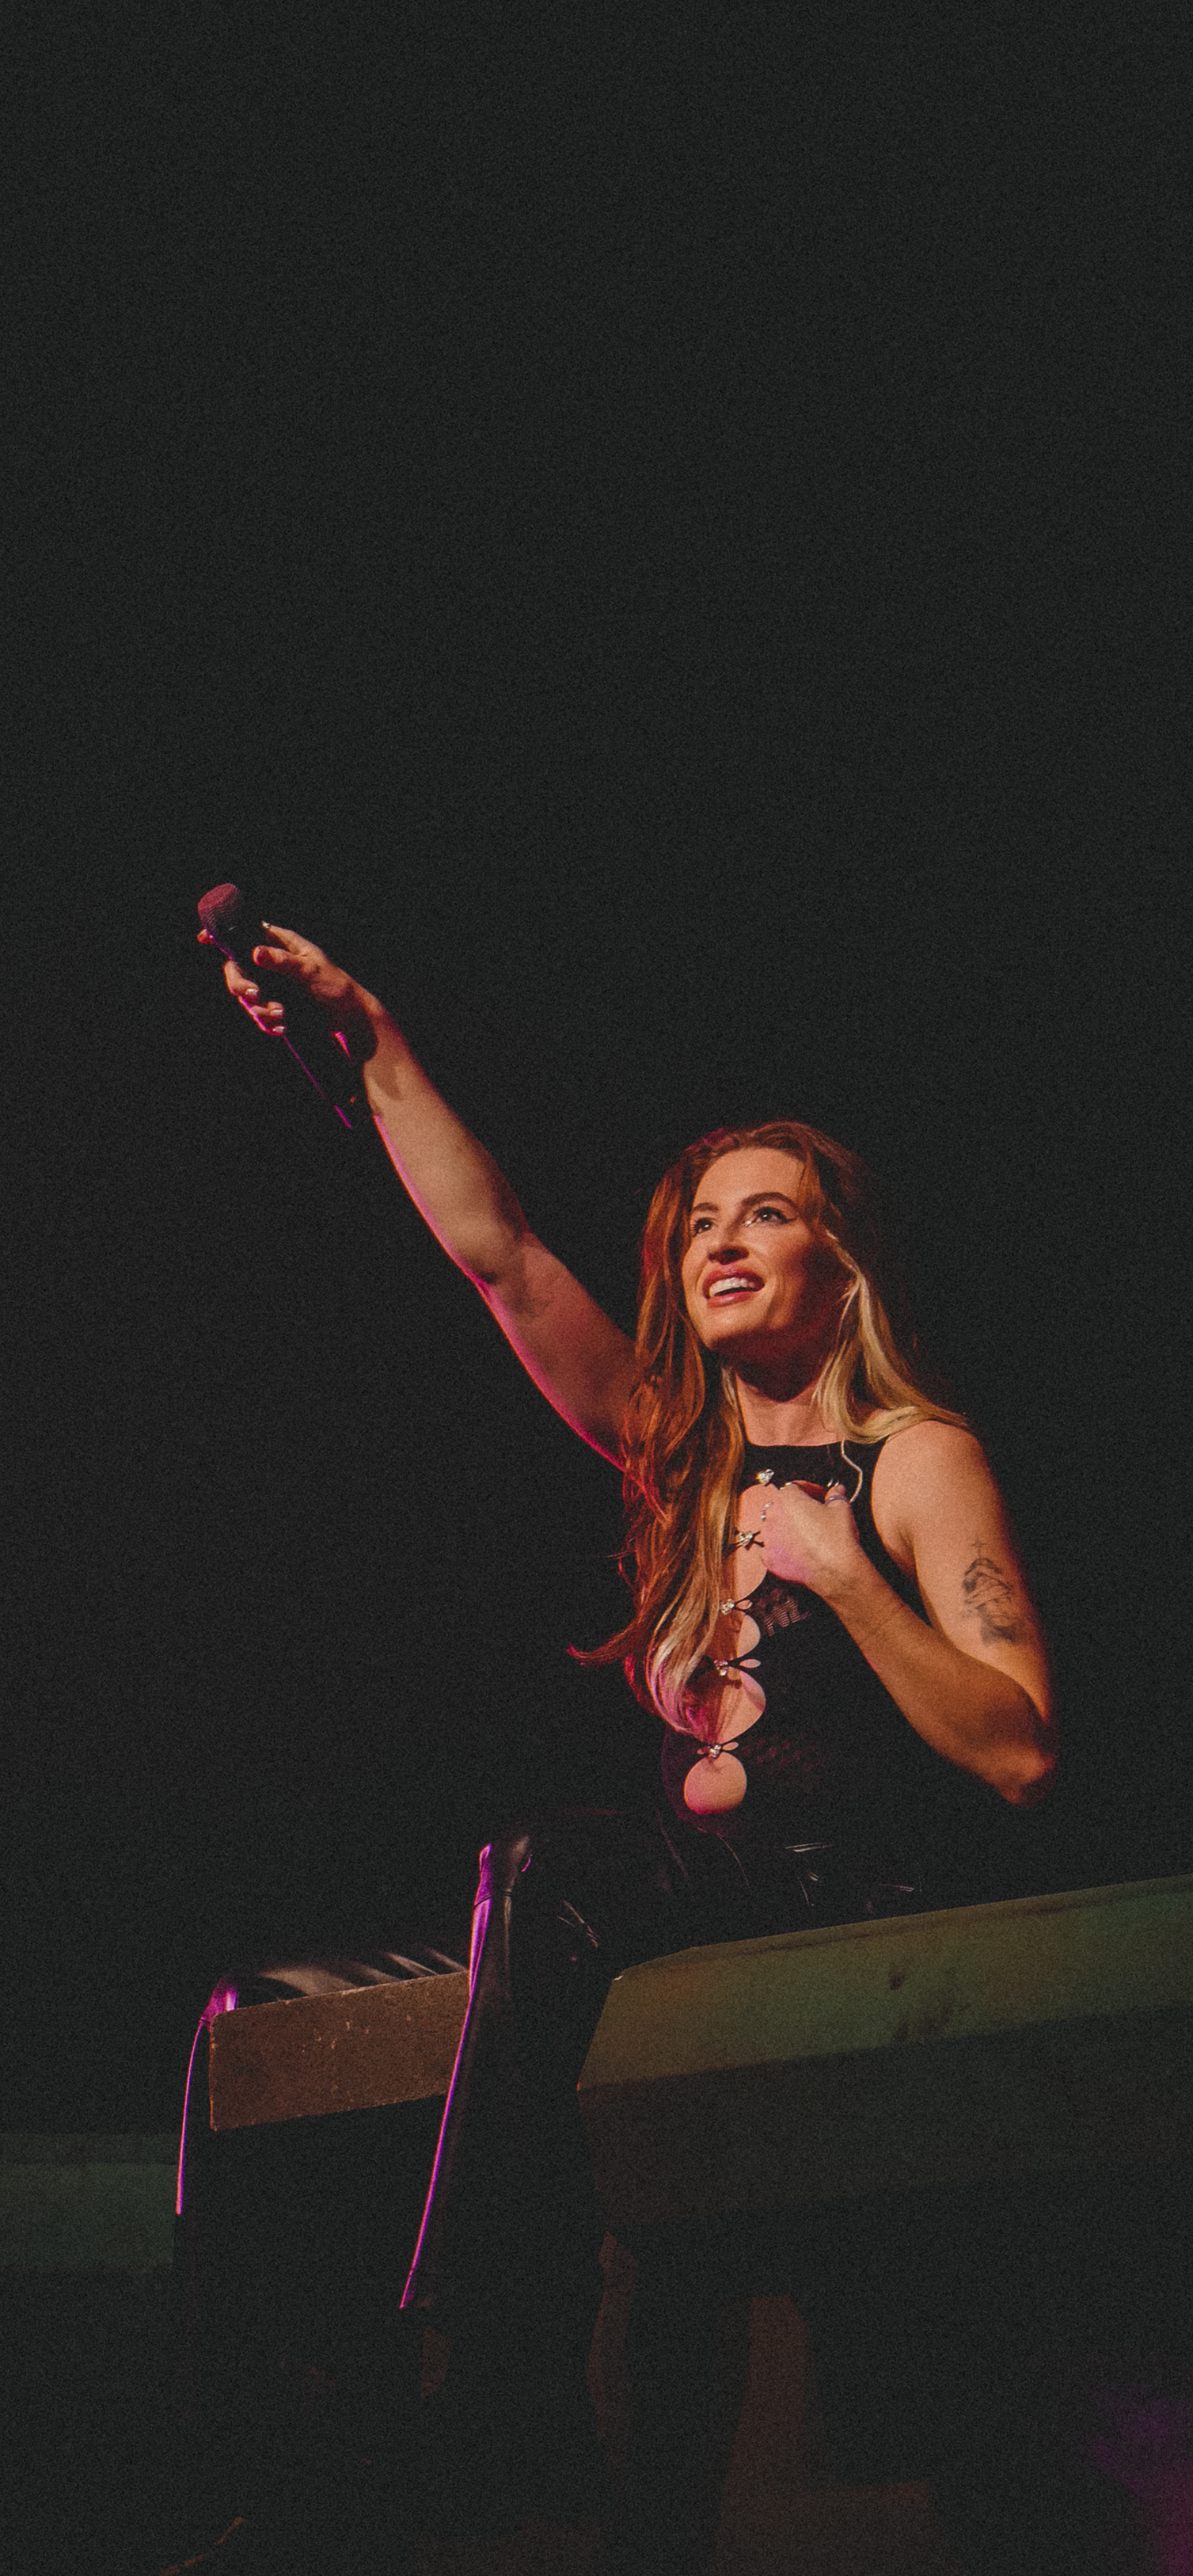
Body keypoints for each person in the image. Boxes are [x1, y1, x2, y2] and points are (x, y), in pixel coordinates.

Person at [196, 916, 1068, 2571]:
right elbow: (505, 1257)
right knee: (267, 2011)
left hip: (836, 1909)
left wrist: (853, 1585)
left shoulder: (912, 1458)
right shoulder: (682, 1460)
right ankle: (286, 2444)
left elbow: (1020, 1749)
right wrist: (367, 1034)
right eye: (703, 1223)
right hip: (683, 1915)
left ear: (841, 1264)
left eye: (769, 1213)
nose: (724, 1240)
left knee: (553, 1864)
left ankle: (500, 2376)